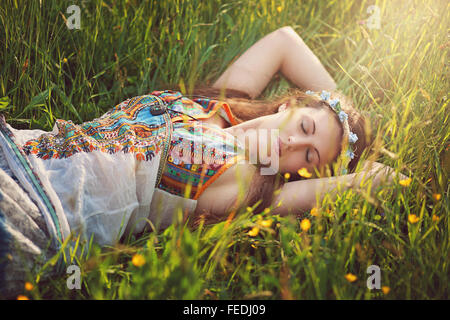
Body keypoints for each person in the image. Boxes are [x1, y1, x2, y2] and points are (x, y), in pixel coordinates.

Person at [0, 26, 398, 298]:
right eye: (306, 125)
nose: (293, 142)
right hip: (16, 147)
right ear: (291, 103)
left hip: (36, 210)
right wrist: (341, 113)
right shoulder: (217, 104)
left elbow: (386, 177)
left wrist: (355, 145)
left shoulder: (250, 185)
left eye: (309, 156)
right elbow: (285, 41)